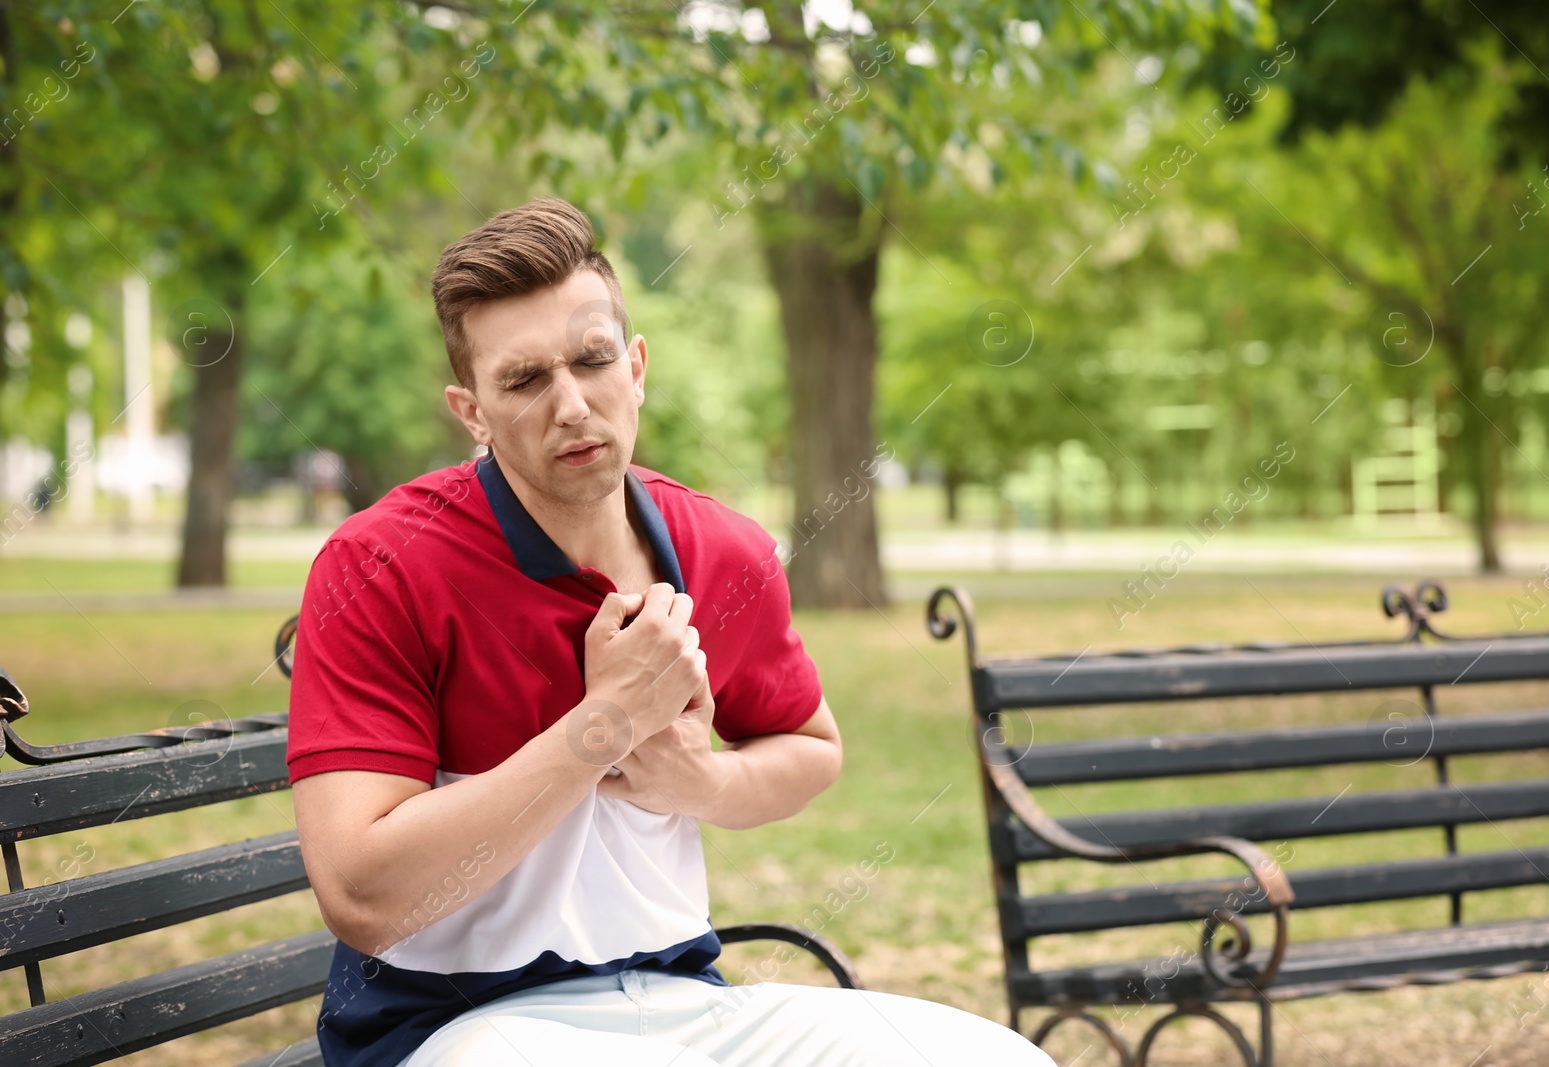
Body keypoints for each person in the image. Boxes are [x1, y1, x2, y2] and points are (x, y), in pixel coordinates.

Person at [287, 197, 1053, 1067]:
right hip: (453, 1026)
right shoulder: (382, 565)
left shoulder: (720, 548)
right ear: (471, 411)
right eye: (525, 379)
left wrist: (703, 782)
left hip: (681, 1002)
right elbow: (361, 891)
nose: (572, 404)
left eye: (592, 359)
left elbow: (809, 746)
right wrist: (602, 723)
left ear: (637, 364)